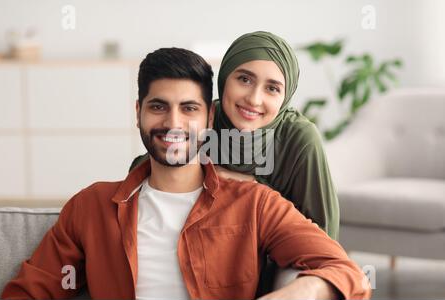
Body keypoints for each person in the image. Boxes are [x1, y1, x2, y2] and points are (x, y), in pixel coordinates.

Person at [2, 48, 369, 300]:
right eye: (158, 107)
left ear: (208, 118)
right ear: (138, 113)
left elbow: (346, 273)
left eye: (188, 108)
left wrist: (300, 292)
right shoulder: (91, 205)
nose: (173, 123)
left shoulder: (256, 204)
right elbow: (30, 290)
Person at [131, 31, 339, 240]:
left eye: (272, 88)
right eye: (244, 79)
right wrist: (205, 175)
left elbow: (324, 234)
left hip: (275, 257)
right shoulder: (202, 118)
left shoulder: (299, 138)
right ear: (225, 78)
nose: (254, 99)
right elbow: (151, 169)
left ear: (286, 96)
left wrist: (249, 186)